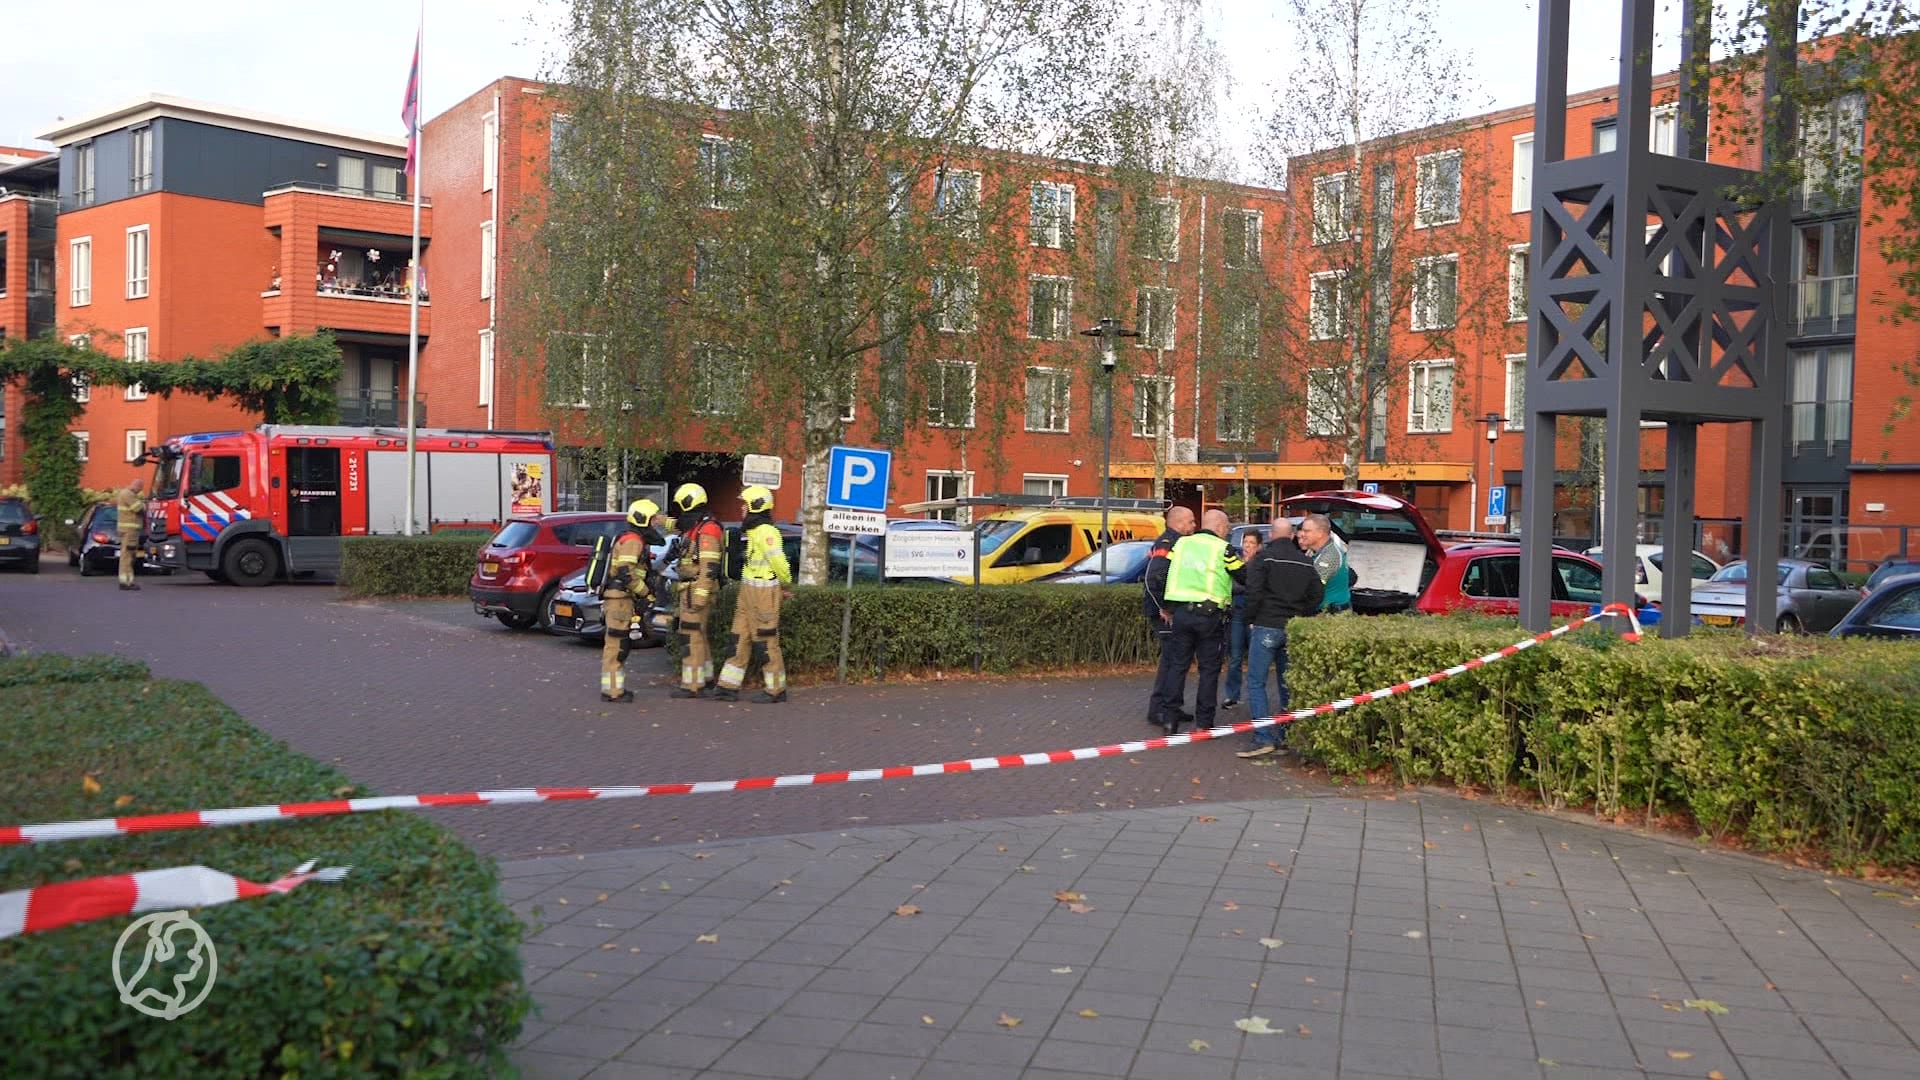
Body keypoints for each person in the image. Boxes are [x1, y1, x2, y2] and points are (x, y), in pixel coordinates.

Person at [1235, 519, 1324, 759]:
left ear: (1273, 534)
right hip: (1291, 627)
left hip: (1266, 625)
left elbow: (1253, 591)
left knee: (1256, 683)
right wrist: (1301, 613)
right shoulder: (1305, 561)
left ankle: (1263, 737)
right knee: (1286, 684)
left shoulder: (1263, 559)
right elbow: (1317, 594)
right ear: (1292, 534)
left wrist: (1250, 618)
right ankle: (1286, 736)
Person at [1150, 509, 1245, 734]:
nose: (1227, 533)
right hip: (1210, 617)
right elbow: (1244, 576)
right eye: (1227, 529)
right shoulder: (1224, 549)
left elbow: (1160, 574)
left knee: (1177, 666)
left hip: (1181, 615)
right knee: (1209, 670)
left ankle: (1170, 720)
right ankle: (1204, 723)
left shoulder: (1181, 544)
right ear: (1220, 527)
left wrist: (1167, 606)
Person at [714, 485, 792, 704]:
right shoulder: (753, 530)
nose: (741, 508)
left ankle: (776, 690)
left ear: (755, 506)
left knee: (766, 641)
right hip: (749, 591)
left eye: (745, 504)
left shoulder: (767, 532)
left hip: (763, 591)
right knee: (739, 638)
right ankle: (727, 686)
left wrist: (786, 584)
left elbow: (778, 562)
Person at [599, 499, 664, 702]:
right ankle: (613, 691)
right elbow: (626, 572)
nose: (656, 523)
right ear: (643, 519)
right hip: (619, 600)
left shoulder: (631, 538)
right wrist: (646, 593)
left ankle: (612, 689)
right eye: (653, 519)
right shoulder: (633, 540)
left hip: (620, 598)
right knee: (617, 645)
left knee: (617, 644)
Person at [669, 483, 727, 698]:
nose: (679, 509)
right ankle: (707, 678)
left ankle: (692, 685)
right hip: (691, 589)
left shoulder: (708, 529)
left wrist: (700, 596)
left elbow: (709, 567)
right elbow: (673, 525)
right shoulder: (695, 526)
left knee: (690, 636)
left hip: (696, 590)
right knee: (698, 634)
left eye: (681, 504)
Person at [1142, 506, 1197, 728]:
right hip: (1164, 614)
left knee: (1172, 659)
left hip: (1165, 610)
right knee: (1172, 661)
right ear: (1180, 523)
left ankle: (1170, 707)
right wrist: (1165, 608)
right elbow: (1154, 577)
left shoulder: (1173, 542)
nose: (1194, 526)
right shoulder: (1169, 543)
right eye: (1191, 522)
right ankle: (1160, 710)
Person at [1221, 529, 1263, 709]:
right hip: (1237, 613)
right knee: (1235, 656)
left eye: (1252, 543)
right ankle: (1232, 695)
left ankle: (1256, 695)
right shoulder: (1235, 562)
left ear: (1259, 546)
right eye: (1245, 542)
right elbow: (1232, 586)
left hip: (1254, 615)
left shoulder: (1261, 565)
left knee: (1255, 658)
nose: (1247, 546)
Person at [1299, 513, 1352, 614]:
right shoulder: (1316, 552)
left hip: (1332, 616)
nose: (1302, 534)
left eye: (1307, 531)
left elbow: (1312, 587)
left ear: (1320, 533)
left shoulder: (1329, 556)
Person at [114, 478, 146, 591]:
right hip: (130, 531)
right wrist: (144, 505)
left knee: (127, 555)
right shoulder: (128, 494)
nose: (139, 491)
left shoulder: (124, 494)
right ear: (136, 486)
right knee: (128, 556)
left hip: (126, 530)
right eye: (140, 488)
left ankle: (125, 580)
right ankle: (127, 582)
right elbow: (138, 508)